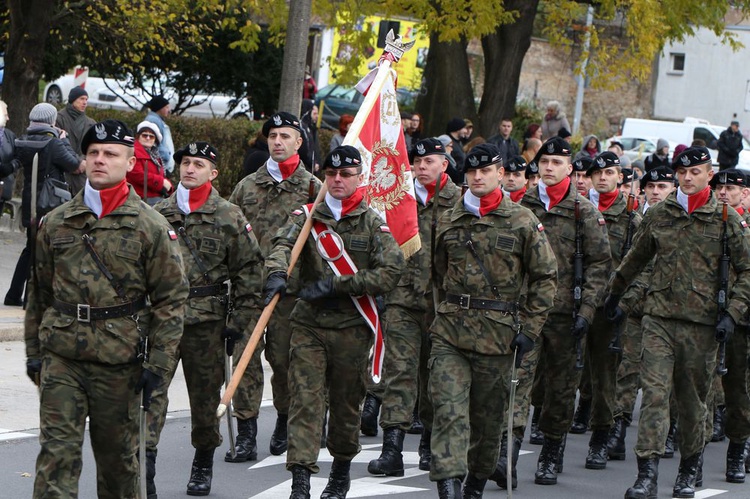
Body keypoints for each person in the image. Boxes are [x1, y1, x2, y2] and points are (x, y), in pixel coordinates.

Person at [24, 118, 189, 497]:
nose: (100, 160)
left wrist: (158, 367)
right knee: (55, 459)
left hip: (120, 363)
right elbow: (39, 292)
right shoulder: (55, 223)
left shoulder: (151, 226)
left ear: (130, 163)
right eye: (93, 153)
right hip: (62, 356)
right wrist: (35, 353)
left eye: (111, 154)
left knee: (118, 465)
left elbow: (170, 299)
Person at [605, 146, 750, 499]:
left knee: (692, 402)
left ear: (708, 173)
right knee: (655, 395)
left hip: (702, 327)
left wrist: (732, 314)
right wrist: (613, 297)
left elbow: (747, 271)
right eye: (681, 172)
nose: (687, 178)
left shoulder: (726, 218)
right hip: (659, 320)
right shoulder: (661, 213)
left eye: (695, 172)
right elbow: (635, 259)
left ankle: (689, 468)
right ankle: (647, 475)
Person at [263, 144, 405, 499]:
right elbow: (282, 243)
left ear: (360, 178)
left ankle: (340, 473)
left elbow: (390, 272)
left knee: (344, 406)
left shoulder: (373, 222)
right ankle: (300, 481)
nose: (337, 180)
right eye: (331, 174)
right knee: (305, 401)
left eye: (345, 174)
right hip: (309, 325)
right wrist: (277, 272)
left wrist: (338, 285)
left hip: (352, 329)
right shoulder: (308, 215)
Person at [429, 143, 557, 498]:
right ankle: (449, 486)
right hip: (450, 334)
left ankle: (474, 484)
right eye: (472, 171)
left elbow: (546, 277)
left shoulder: (522, 221)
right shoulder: (448, 219)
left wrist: (530, 330)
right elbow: (438, 272)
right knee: (449, 411)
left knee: (486, 425)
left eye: (486, 171)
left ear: (501, 174)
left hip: (498, 338)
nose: (478, 177)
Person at [148, 141, 263, 497]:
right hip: (162, 322)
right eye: (185, 162)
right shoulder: (157, 212)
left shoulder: (228, 215)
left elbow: (249, 271)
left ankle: (202, 463)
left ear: (213, 173)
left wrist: (239, 323)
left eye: (198, 164)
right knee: (149, 396)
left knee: (203, 400)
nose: (189, 169)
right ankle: (145, 467)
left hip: (207, 324)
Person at [229, 112, 321, 462]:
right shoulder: (246, 187)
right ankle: (247, 432)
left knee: (283, 361)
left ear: (299, 142)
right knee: (245, 359)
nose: (277, 142)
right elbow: (232, 236)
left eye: (285, 136)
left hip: (290, 293)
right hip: (250, 290)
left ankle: (283, 419)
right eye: (272, 136)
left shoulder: (313, 188)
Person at [367, 138, 461, 477]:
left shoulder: (460, 202)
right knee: (400, 372)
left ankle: (429, 445)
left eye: (429, 162)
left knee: (435, 377)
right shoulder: (398, 200)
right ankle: (391, 448)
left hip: (442, 305)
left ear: (444, 165)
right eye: (417, 163)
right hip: (402, 300)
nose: (421, 167)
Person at [521, 136, 611, 486]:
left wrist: (587, 311)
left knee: (560, 388)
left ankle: (551, 451)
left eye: (557, 163)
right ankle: (508, 449)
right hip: (528, 311)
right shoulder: (523, 206)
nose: (548, 168)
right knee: (516, 380)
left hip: (565, 314)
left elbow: (599, 265)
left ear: (570, 170)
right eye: (544, 162)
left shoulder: (584, 212)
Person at [606, 165, 675, 462]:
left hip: (668, 311)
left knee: (663, 380)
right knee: (627, 370)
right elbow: (628, 264)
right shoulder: (636, 220)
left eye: (662, 187)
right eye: (652, 187)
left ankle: (668, 433)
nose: (656, 192)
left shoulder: (677, 220)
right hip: (634, 309)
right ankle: (618, 430)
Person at [581, 151, 642, 470]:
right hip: (577, 303)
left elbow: (643, 265)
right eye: (598, 173)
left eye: (610, 172)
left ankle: (602, 437)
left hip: (609, 306)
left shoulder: (632, 217)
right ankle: (553, 438)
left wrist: (625, 302)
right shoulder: (580, 211)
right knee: (564, 375)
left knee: (605, 377)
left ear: (620, 177)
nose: (603, 177)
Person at [5, 103, 80, 307]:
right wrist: (64, 141)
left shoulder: (23, 139)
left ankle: (13, 294)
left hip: (30, 200)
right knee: (44, 250)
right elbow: (74, 165)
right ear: (51, 121)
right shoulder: (54, 143)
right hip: (50, 202)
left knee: (30, 248)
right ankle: (33, 298)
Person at [707, 168, 750, 483]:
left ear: (745, 193)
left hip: (745, 317)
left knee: (742, 389)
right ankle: (731, 447)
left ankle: (741, 446)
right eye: (718, 187)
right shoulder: (709, 222)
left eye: (730, 189)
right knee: (720, 388)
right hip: (718, 317)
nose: (722, 192)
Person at [55, 86, 94, 195]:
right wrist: (75, 163)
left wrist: (83, 162)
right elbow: (57, 145)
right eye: (81, 99)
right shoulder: (59, 118)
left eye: (86, 99)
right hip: (64, 172)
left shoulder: (90, 123)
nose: (85, 102)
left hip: (82, 173)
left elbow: (93, 147)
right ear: (73, 100)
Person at [126, 121, 172, 206]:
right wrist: (161, 182)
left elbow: (162, 175)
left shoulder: (155, 155)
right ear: (138, 137)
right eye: (144, 135)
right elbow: (137, 174)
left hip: (155, 199)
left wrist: (168, 186)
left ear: (155, 140)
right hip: (140, 199)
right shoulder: (133, 152)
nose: (148, 138)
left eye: (151, 136)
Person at [145, 95, 175, 176]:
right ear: (160, 108)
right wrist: (164, 158)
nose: (169, 110)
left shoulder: (156, 120)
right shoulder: (153, 121)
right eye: (166, 107)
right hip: (160, 165)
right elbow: (153, 145)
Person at [0, 100, 19, 211]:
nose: (8, 118)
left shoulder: (9, 135)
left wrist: (11, 166)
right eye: (5, 115)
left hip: (3, 187)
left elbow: (18, 157)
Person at [300, 99, 321, 173]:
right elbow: (305, 150)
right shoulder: (302, 128)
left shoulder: (311, 128)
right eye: (314, 113)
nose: (317, 116)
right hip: (305, 168)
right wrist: (313, 163)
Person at [445, 117, 467, 184]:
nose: (466, 131)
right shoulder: (447, 143)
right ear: (458, 129)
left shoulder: (459, 143)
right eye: (464, 128)